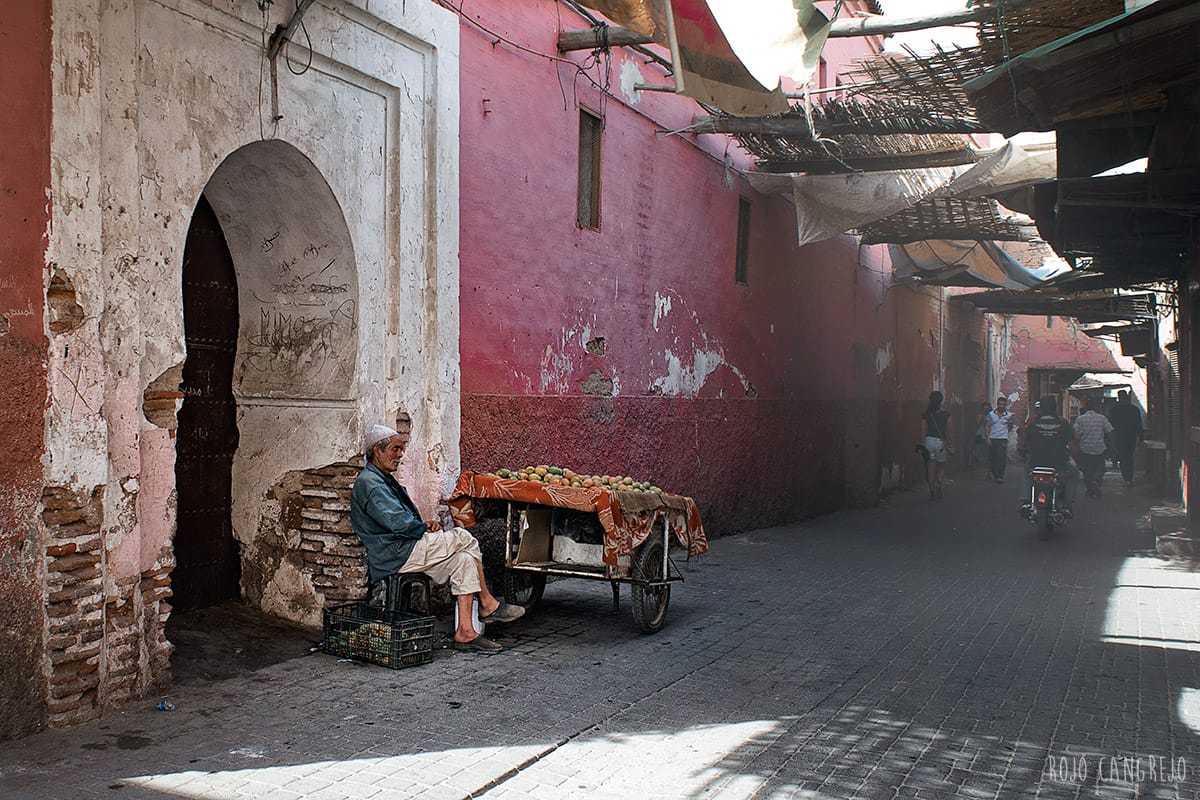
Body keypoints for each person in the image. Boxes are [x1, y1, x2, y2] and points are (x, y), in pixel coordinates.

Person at [351, 425, 524, 653]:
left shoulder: (380, 479)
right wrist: (420, 528)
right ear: (377, 451)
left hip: (404, 548)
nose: (400, 455)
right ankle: (488, 604)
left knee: (463, 559)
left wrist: (423, 526)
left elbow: (400, 519)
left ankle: (465, 632)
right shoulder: (370, 483)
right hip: (395, 553)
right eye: (395, 449)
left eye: (401, 449)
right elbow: (397, 523)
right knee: (464, 537)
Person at [1021, 395, 1078, 512]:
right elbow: (1072, 446)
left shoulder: (1033, 423)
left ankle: (1026, 499)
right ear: (1055, 408)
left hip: (1036, 462)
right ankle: (1068, 503)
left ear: (1041, 408)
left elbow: (1024, 443)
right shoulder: (1063, 423)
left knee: (1027, 473)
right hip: (1059, 464)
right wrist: (1077, 456)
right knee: (1074, 473)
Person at [1073, 396, 1114, 498]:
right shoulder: (1102, 418)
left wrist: (1076, 446)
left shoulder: (1080, 419)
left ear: (1086, 408)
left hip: (1085, 448)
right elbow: (1110, 432)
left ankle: (1090, 487)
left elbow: (1076, 435)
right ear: (1096, 408)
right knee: (1099, 469)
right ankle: (1096, 483)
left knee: (1087, 470)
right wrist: (1112, 446)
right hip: (1099, 448)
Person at [1107, 390, 1144, 486]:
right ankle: (1129, 478)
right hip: (1131, 436)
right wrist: (1141, 438)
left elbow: (1110, 425)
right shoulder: (1134, 409)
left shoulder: (1114, 410)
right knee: (1130, 457)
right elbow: (1139, 424)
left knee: (1122, 457)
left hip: (1119, 436)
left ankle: (1126, 478)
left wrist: (1110, 439)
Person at [921, 390, 953, 501]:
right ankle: (939, 485)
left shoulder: (926, 414)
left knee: (930, 468)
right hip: (940, 443)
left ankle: (931, 491)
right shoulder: (946, 414)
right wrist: (950, 443)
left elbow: (923, 430)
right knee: (941, 466)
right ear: (941, 401)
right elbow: (949, 430)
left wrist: (922, 443)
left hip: (928, 441)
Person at [984, 396, 1015, 483]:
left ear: (1005, 406)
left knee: (1001, 457)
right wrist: (987, 438)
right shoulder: (991, 414)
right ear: (997, 405)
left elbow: (1010, 426)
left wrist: (1004, 433)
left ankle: (1000, 476)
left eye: (1003, 405)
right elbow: (987, 426)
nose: (1001, 406)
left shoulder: (1008, 415)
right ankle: (995, 473)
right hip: (993, 438)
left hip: (1002, 439)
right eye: (1000, 404)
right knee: (993, 457)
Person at [971, 402, 991, 479]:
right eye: (984, 408)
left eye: (987, 408)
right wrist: (982, 418)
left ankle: (989, 472)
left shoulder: (991, 416)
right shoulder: (979, 416)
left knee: (988, 456)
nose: (986, 410)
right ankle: (974, 470)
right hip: (979, 436)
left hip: (987, 437)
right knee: (976, 455)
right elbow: (977, 425)